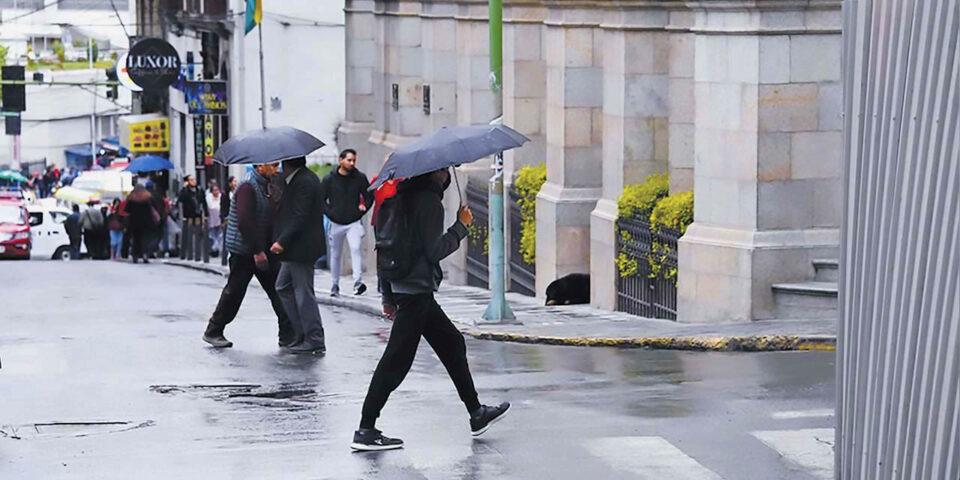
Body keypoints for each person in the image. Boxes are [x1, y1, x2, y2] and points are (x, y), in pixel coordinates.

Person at [351, 168, 509, 452]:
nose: (448, 174)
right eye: (445, 170)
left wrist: (388, 295)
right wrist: (461, 226)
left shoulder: (398, 198)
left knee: (452, 343)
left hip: (407, 288)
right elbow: (434, 249)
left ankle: (476, 413)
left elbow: (384, 248)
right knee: (395, 362)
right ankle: (366, 428)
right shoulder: (428, 203)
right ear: (435, 172)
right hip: (416, 292)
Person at [203, 164, 294, 348]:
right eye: (273, 165)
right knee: (235, 291)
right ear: (261, 166)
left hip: (263, 247)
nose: (277, 168)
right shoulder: (247, 186)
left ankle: (287, 334)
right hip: (245, 250)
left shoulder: (267, 184)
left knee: (278, 289)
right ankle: (213, 330)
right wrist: (257, 251)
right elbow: (245, 222)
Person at [270, 157, 326, 354]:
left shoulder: (305, 182)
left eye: (281, 164)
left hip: (302, 248)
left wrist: (281, 241)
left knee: (303, 293)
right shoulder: (296, 180)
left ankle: (314, 337)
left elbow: (299, 216)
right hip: (295, 248)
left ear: (288, 164)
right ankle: (301, 332)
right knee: (282, 286)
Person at [320, 149, 374, 297]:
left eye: (354, 160)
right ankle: (335, 283)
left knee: (355, 248)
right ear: (341, 160)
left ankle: (358, 281)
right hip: (335, 222)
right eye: (349, 160)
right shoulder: (329, 179)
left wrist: (363, 209)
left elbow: (369, 195)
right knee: (336, 254)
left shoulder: (359, 178)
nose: (352, 163)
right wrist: (330, 213)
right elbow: (321, 199)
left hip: (353, 221)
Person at [124, 185, 156, 264]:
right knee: (145, 239)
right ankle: (145, 254)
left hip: (134, 222)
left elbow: (127, 210)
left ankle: (135, 255)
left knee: (136, 239)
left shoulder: (131, 198)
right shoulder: (147, 197)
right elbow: (152, 208)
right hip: (146, 222)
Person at [177, 175, 208, 252]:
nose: (193, 181)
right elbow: (180, 199)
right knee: (189, 233)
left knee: (199, 232)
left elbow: (204, 202)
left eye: (194, 179)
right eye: (191, 180)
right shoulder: (185, 191)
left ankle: (198, 250)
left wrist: (206, 214)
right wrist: (184, 188)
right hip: (188, 215)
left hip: (198, 214)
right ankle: (189, 250)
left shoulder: (200, 190)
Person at [206, 184, 223, 256]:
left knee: (220, 235)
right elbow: (211, 207)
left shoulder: (221, 196)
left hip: (219, 219)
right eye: (214, 190)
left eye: (217, 190)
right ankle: (214, 249)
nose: (216, 192)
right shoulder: (209, 197)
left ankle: (218, 249)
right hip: (212, 219)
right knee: (212, 235)